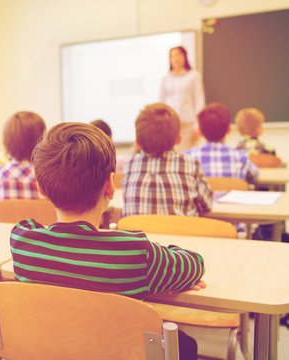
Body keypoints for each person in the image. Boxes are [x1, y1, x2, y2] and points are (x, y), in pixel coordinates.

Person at [10, 122, 205, 359]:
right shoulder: (134, 253)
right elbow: (194, 264)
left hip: (55, 349)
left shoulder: (22, 241)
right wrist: (166, 261)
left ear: (41, 189)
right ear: (110, 186)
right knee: (185, 344)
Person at [122, 103, 213, 217]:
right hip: (181, 234)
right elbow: (206, 205)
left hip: (137, 234)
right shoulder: (190, 164)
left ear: (137, 142)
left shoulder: (130, 164)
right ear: (179, 139)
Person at [185, 103, 259, 183]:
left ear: (200, 131)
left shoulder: (187, 158)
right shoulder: (241, 157)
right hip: (232, 195)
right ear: (229, 129)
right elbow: (255, 175)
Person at [0, 111, 46, 203]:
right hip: (44, 217)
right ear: (42, 138)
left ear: (7, 141)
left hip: (7, 218)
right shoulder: (48, 174)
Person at [159, 46, 205, 152]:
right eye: (172, 56)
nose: (176, 58)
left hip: (188, 124)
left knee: (188, 155)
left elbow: (199, 100)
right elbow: (161, 103)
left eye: (178, 55)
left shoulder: (194, 76)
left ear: (184, 57)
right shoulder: (166, 79)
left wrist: (197, 124)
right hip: (170, 125)